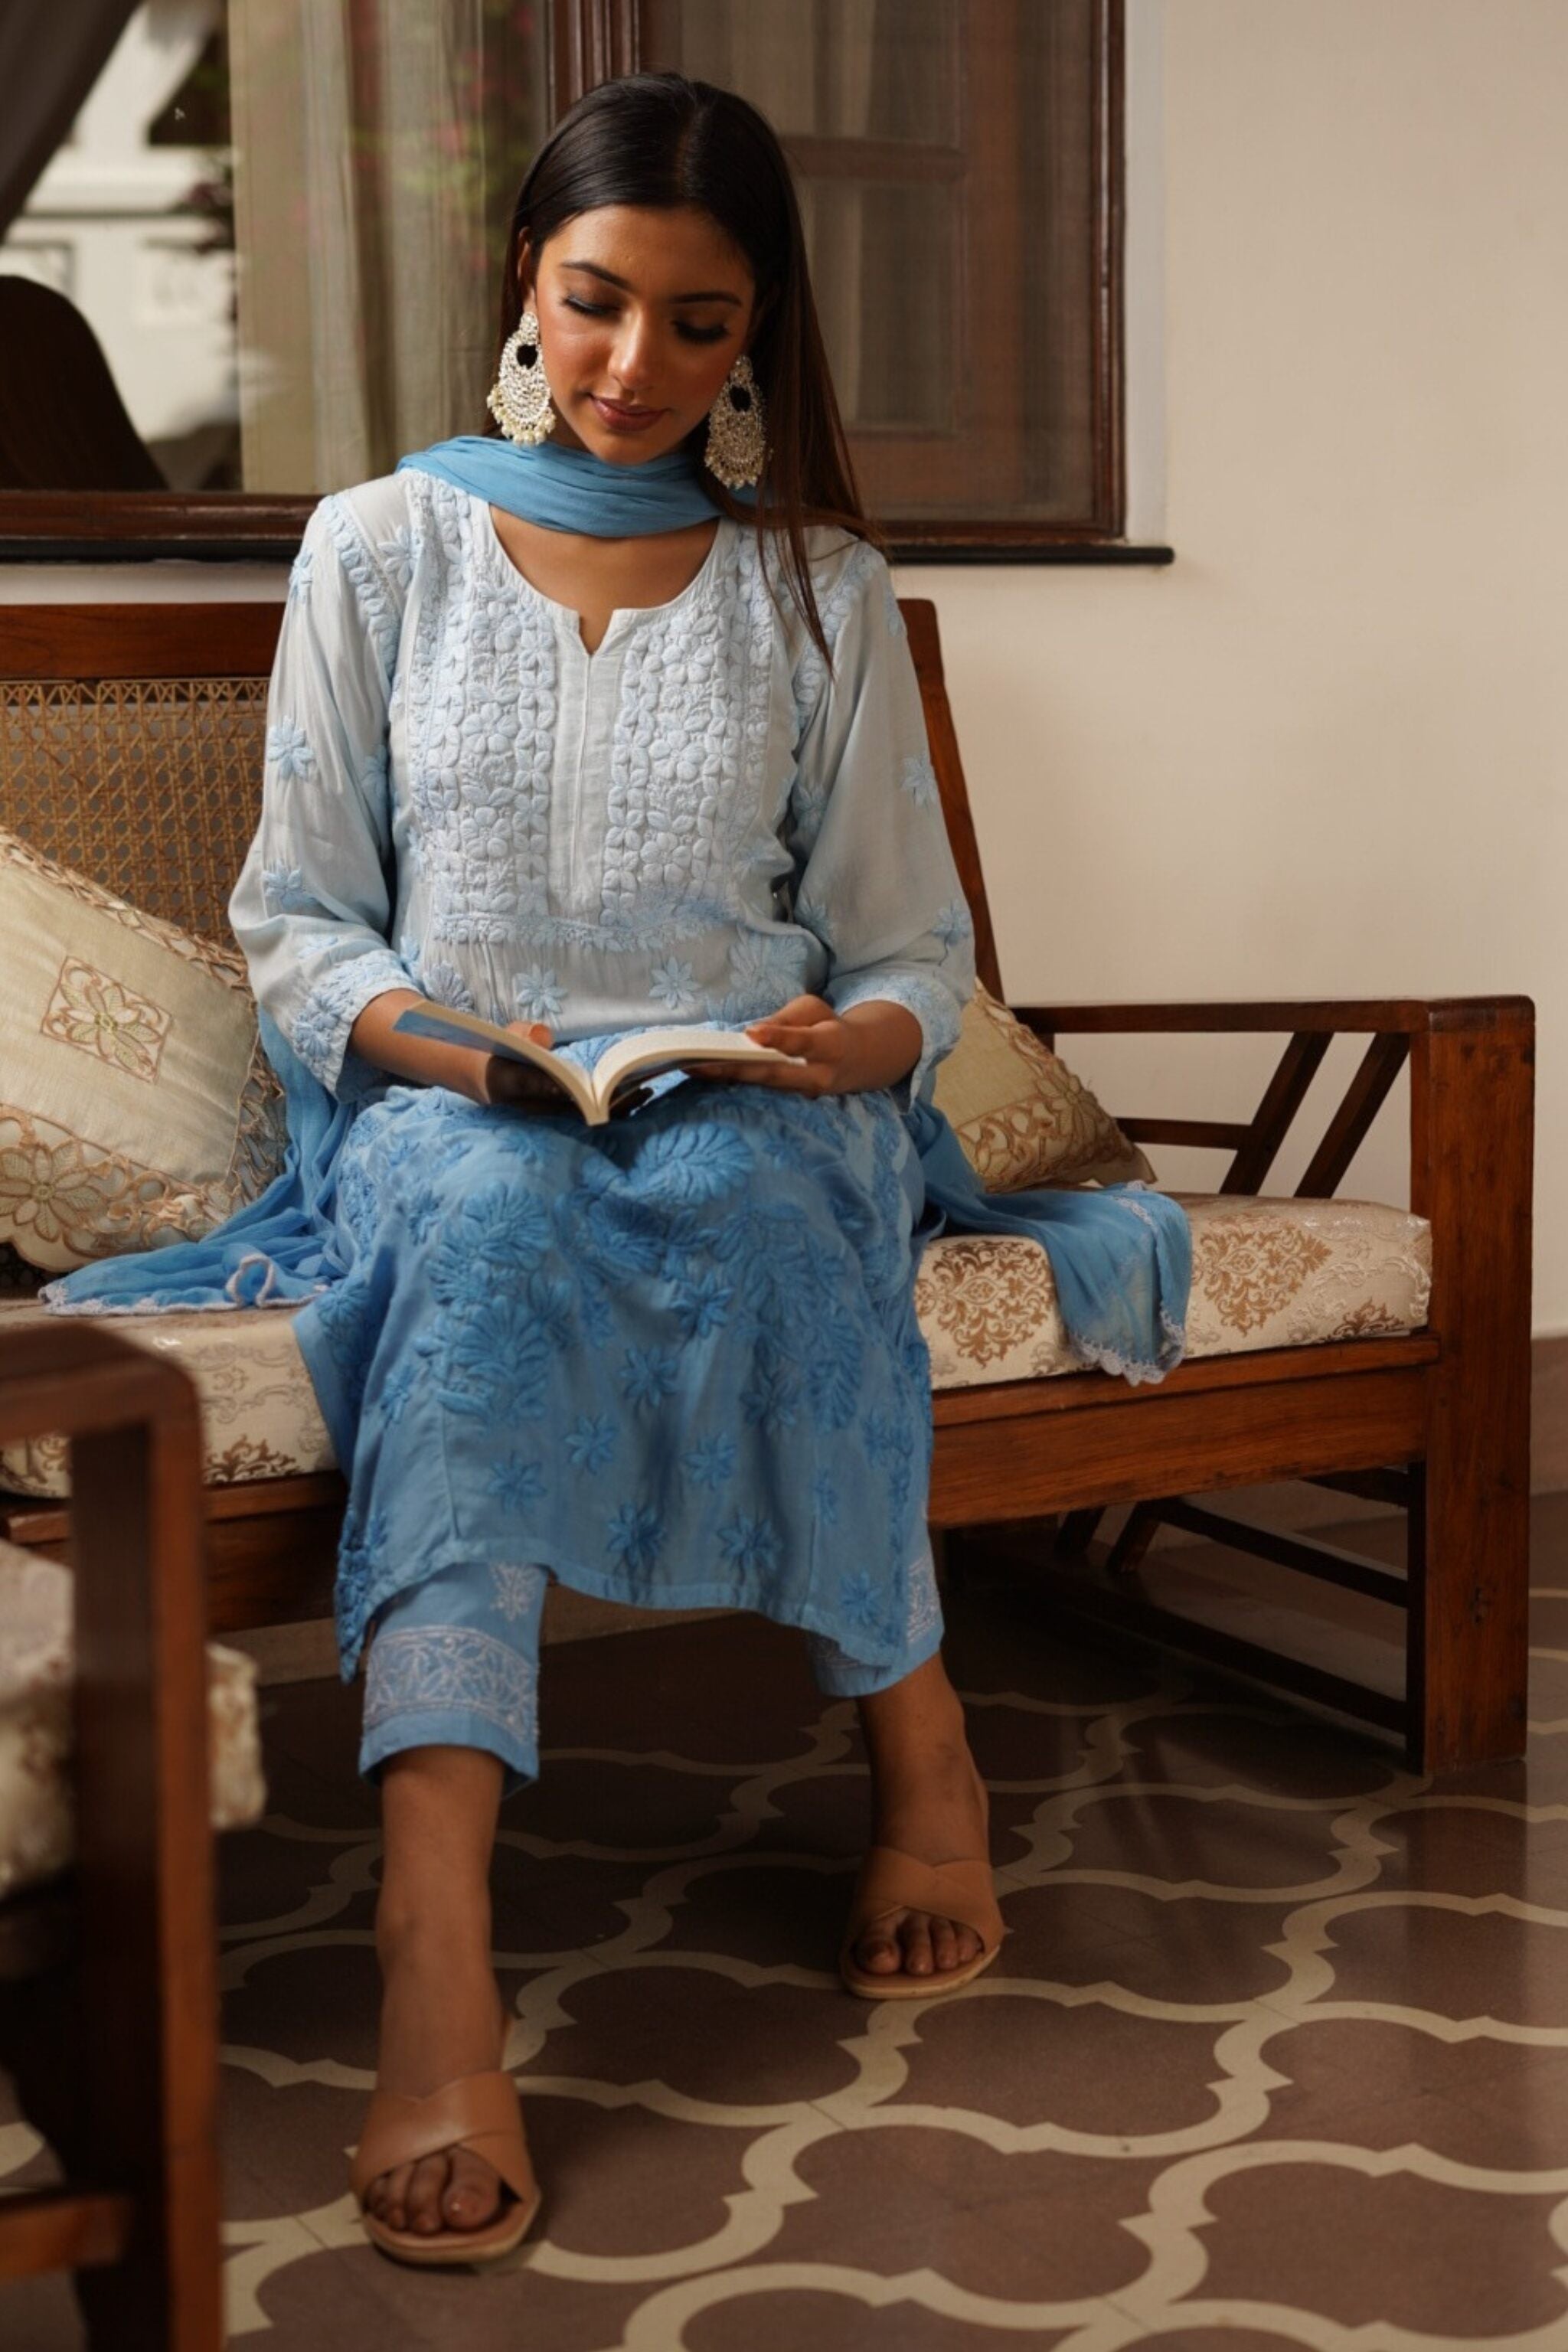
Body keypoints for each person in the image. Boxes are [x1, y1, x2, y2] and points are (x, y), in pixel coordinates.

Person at [47, 71, 1189, 2269]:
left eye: (696, 321)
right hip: (451, 1102)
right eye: (596, 304)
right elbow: (301, 917)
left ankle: (923, 1757)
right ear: (523, 286)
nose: (637, 366)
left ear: (758, 330)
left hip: (760, 1094)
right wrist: (433, 1047)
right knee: (478, 1229)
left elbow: (902, 949)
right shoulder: (376, 545)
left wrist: (850, 1044)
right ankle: (436, 1944)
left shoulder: (817, 584)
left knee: (771, 1195)